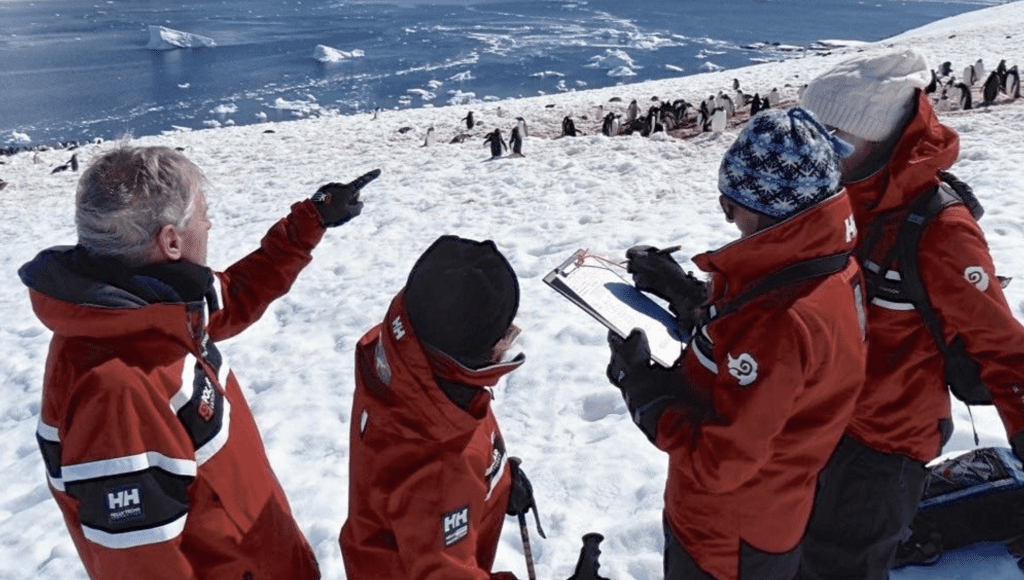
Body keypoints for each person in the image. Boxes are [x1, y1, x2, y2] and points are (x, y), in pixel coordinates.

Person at [18, 145, 378, 579]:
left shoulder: (149, 303)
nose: (208, 223)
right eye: (202, 214)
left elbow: (236, 295)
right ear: (170, 241)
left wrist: (310, 222)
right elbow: (140, 566)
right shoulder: (115, 393)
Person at [606, 107, 868, 580]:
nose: (727, 216)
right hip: (765, 516)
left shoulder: (783, 319)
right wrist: (688, 296)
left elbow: (721, 463)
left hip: (728, 539)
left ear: (772, 210)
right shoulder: (822, 266)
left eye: (733, 205)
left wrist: (646, 395)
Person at [797, 49, 1024, 579]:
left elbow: (1002, 348)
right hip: (815, 421)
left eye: (834, 139)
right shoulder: (836, 195)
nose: (816, 154)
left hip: (884, 442)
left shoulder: (939, 227)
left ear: (877, 139)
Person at [340, 235, 539, 580]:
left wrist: (497, 479)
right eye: (503, 334)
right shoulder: (440, 467)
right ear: (477, 358)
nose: (511, 335)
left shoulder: (405, 365)